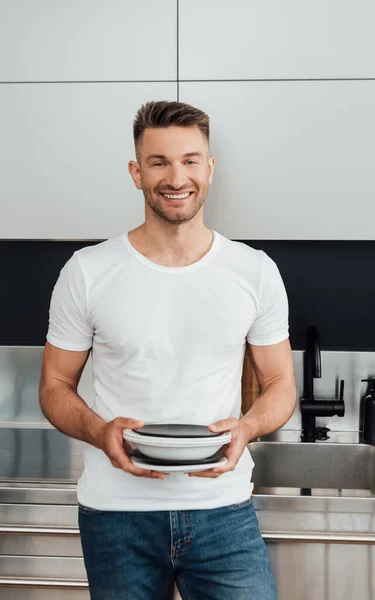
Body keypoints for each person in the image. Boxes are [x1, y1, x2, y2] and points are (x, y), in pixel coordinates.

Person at [39, 100, 296, 600]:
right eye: (159, 162)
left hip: (223, 510)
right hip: (117, 515)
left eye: (190, 160)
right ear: (136, 172)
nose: (176, 177)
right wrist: (98, 430)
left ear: (210, 168)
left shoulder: (254, 271)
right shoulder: (87, 271)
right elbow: (53, 385)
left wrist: (248, 427)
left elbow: (281, 383)